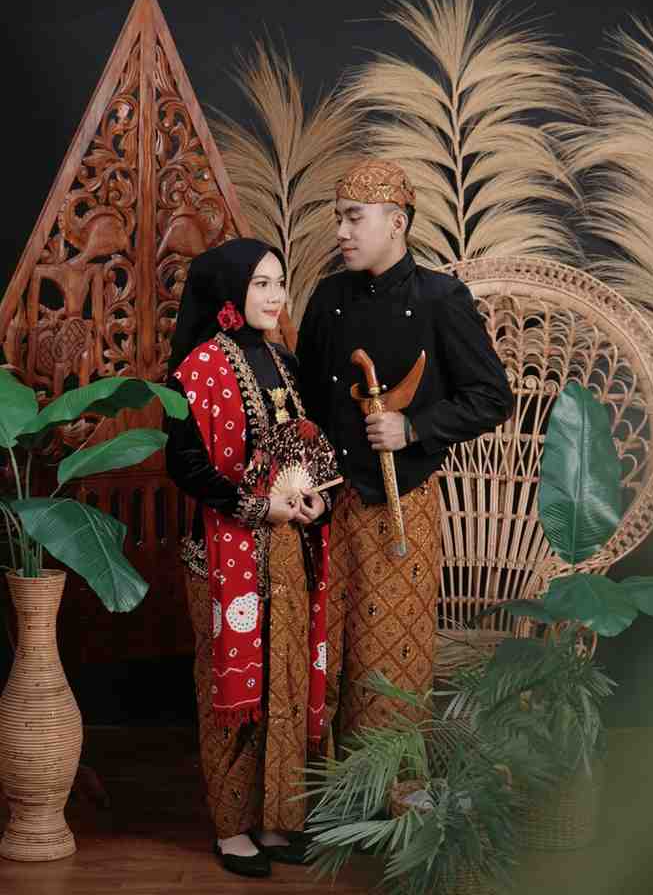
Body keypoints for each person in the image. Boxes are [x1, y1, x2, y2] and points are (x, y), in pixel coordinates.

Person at [296, 158, 514, 741]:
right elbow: (305, 404)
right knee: (320, 654)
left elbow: (493, 397)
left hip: (402, 506)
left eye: (354, 218)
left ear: (397, 222)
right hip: (324, 509)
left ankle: (388, 789)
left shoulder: (441, 298)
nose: (341, 232)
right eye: (338, 219)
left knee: (389, 659)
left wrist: (411, 429)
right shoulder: (327, 297)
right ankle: (317, 785)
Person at [165, 238, 337, 879]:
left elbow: (306, 451)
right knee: (232, 688)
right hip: (224, 555)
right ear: (230, 293)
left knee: (281, 682)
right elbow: (184, 465)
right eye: (261, 283)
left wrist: (315, 500)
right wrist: (257, 507)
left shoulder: (286, 363)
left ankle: (273, 818)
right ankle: (231, 826)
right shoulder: (198, 369)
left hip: (288, 552)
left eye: (279, 282)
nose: (276, 296)